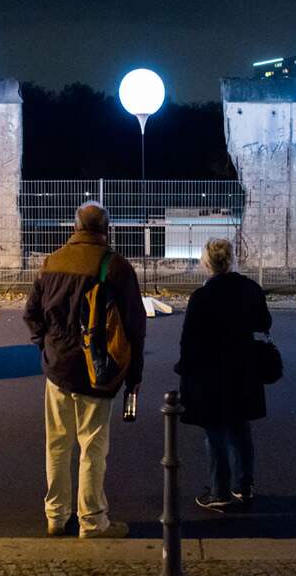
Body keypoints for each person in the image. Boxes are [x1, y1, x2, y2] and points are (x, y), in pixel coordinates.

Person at [24, 201, 146, 538]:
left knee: (57, 444)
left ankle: (56, 516)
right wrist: (134, 377)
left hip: (57, 368)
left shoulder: (50, 263)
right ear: (106, 229)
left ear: (74, 227)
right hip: (98, 372)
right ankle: (92, 520)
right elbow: (135, 330)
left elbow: (32, 314)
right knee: (92, 447)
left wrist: (45, 346)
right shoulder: (117, 267)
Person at [174, 238, 272, 512]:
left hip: (211, 372)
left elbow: (189, 340)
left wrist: (184, 370)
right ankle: (244, 486)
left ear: (207, 263)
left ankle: (219, 490)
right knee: (241, 427)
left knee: (215, 430)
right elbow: (264, 323)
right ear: (232, 259)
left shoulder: (202, 296)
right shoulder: (250, 288)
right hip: (243, 368)